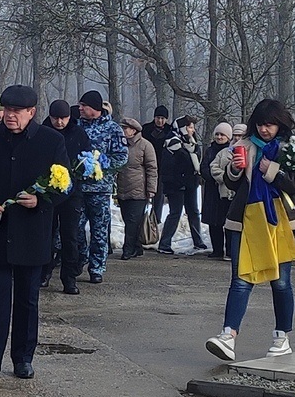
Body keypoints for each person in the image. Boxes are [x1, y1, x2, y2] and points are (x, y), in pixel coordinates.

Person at [0, 85, 69, 379]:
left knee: (27, 298)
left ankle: (23, 358)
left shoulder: (50, 141)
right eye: (7, 110)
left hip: (32, 233)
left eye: (17, 112)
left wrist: (40, 200)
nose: (10, 116)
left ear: (31, 113)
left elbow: (64, 186)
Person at [205, 99, 295, 362]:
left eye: (270, 125)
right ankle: (228, 335)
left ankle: (282, 336)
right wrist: (235, 169)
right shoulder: (243, 146)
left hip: (280, 220)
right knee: (241, 278)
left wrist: (272, 170)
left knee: (281, 282)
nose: (264, 130)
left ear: (280, 124)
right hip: (246, 218)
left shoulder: (292, 148)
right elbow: (229, 182)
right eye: (261, 124)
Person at [77, 90, 127, 283]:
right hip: (78, 189)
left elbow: (122, 157)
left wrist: (101, 167)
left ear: (95, 108)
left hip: (100, 189)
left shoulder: (113, 129)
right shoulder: (76, 126)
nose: (80, 108)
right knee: (76, 229)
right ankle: (80, 258)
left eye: (84, 105)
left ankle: (97, 267)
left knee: (99, 231)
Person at [43, 99, 88, 293]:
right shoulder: (42, 132)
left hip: (72, 192)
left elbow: (87, 158)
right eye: (56, 118)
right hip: (48, 191)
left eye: (63, 118)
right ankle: (43, 272)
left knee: (70, 235)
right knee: (46, 234)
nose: (59, 122)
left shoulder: (78, 133)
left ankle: (69, 277)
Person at [157, 120, 208, 254]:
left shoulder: (191, 141)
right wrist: (177, 182)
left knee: (194, 212)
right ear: (183, 128)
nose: (193, 130)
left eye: (193, 127)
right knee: (175, 212)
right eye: (190, 127)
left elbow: (196, 157)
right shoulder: (171, 142)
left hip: (190, 183)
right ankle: (164, 243)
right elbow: (171, 166)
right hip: (176, 184)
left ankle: (198, 241)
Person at [118, 118, 157, 260]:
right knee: (128, 220)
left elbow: (152, 169)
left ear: (133, 130)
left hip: (139, 191)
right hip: (123, 190)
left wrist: (151, 189)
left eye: (125, 128)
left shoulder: (146, 146)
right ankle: (137, 247)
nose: (123, 131)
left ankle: (127, 249)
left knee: (132, 221)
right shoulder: (120, 145)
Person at [201, 122, 235, 259]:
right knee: (213, 222)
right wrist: (212, 178)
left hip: (226, 191)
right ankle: (216, 250)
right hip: (211, 190)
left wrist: (222, 179)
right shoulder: (209, 150)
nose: (219, 137)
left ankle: (229, 250)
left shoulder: (232, 151)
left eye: (222, 135)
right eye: (217, 134)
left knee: (226, 222)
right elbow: (204, 168)